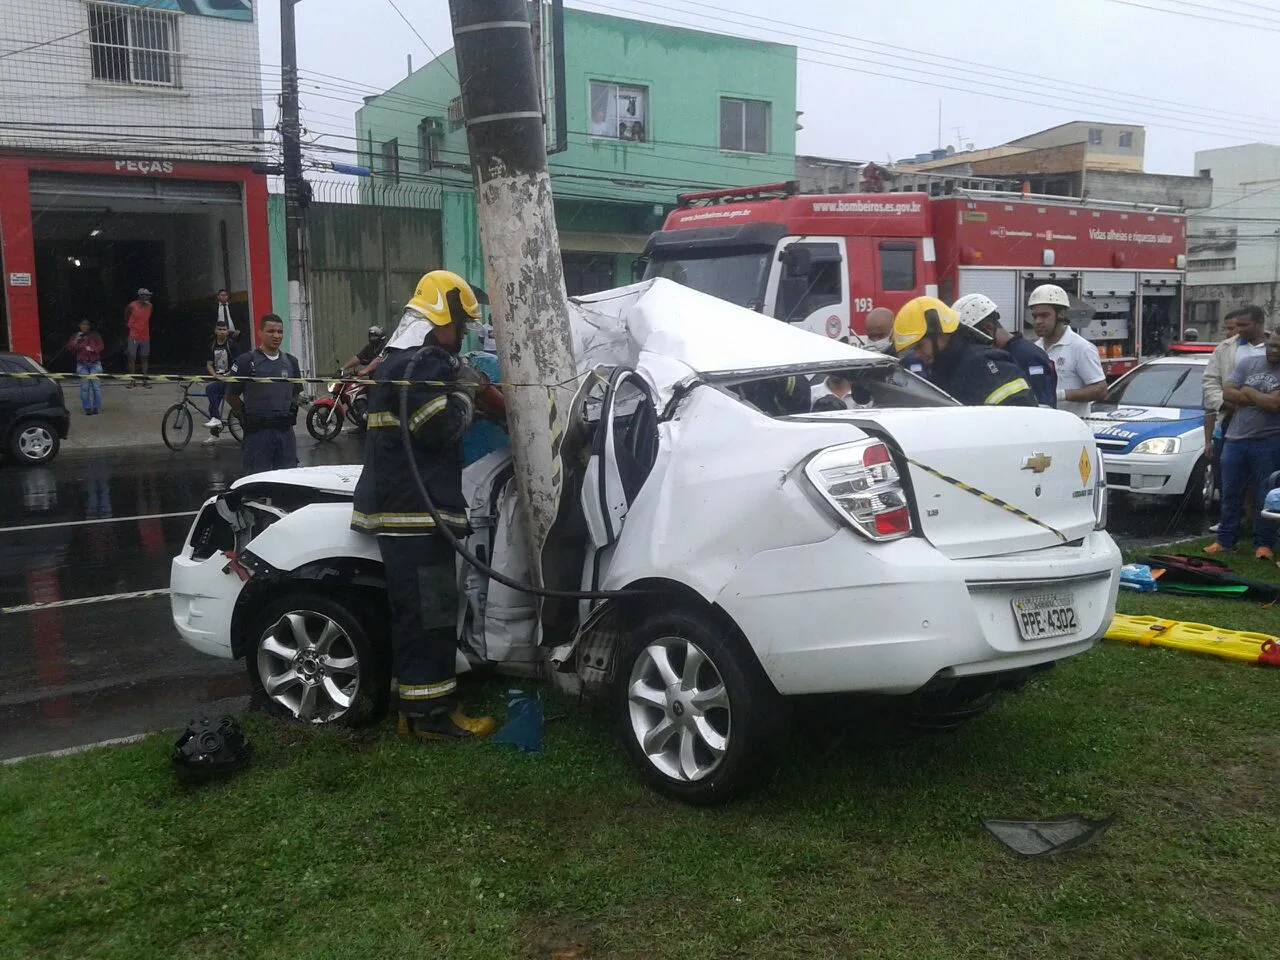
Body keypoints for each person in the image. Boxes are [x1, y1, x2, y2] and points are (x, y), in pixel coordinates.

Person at [352, 270, 500, 742]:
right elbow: (439, 427)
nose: (462, 336)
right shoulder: (428, 363)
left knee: (416, 613)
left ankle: (412, 709)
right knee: (430, 613)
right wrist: (465, 388)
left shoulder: (398, 361)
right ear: (445, 316)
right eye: (461, 324)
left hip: (404, 508)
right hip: (417, 512)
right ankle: (431, 717)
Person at [1205, 329, 1280, 561]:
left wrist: (1246, 391)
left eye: (1279, 347)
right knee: (1230, 492)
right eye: (1272, 345)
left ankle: (1263, 544)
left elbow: (1275, 405)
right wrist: (1259, 396)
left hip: (1268, 439)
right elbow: (1227, 393)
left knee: (1264, 495)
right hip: (1235, 438)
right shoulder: (1249, 363)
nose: (1273, 351)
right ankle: (1225, 540)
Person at [892, 296, 1036, 407]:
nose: (916, 355)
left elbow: (1020, 418)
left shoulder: (984, 365)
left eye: (919, 346)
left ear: (941, 334)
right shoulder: (945, 368)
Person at [226, 314, 303, 474]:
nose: (276, 336)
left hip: (285, 434)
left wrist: (289, 411)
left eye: (280, 331)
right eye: (271, 331)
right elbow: (231, 395)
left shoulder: (291, 362)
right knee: (258, 483)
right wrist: (245, 415)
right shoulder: (246, 362)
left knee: (287, 481)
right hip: (258, 434)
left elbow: (296, 393)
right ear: (260, 333)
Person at [954, 293, 1058, 407]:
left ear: (988, 328)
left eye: (973, 340)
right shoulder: (993, 357)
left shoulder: (1030, 357)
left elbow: (1043, 407)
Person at [1203, 306, 1267, 472]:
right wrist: (1224, 403)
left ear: (1259, 323)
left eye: (1244, 325)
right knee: (1229, 477)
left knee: (1264, 477)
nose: (1238, 330)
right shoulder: (1226, 348)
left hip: (1269, 423)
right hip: (1231, 420)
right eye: (1236, 325)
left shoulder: (1273, 346)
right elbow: (1210, 381)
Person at [1029, 284, 1107, 416]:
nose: (1038, 321)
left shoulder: (1080, 347)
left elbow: (1100, 390)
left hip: (1073, 431)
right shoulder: (1035, 349)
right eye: (1035, 316)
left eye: (1044, 316)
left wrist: (1061, 395)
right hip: (1043, 429)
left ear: (1061, 314)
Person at [202, 318, 235, 445]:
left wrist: (228, 374)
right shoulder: (211, 345)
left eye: (224, 330)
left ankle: (216, 419)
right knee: (213, 402)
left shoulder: (231, 345)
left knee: (210, 390)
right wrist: (215, 375)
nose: (222, 332)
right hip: (219, 378)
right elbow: (209, 364)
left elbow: (238, 363)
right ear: (215, 331)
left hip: (230, 378)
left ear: (227, 332)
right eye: (220, 329)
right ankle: (214, 434)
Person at [66, 318, 105, 415]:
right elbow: (70, 348)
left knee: (96, 387)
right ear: (79, 325)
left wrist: (93, 349)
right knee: (84, 387)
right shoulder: (75, 336)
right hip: (82, 365)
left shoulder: (95, 335)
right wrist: (76, 340)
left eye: (87, 324)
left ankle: (96, 407)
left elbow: (101, 346)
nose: (86, 326)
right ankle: (87, 407)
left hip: (95, 363)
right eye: (83, 324)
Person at [124, 288, 153, 387]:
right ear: (140, 296)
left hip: (145, 335)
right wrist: (130, 325)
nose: (148, 297)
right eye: (146, 295)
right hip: (134, 335)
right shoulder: (132, 305)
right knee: (132, 358)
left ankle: (145, 380)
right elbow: (126, 315)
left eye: (148, 295)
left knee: (144, 358)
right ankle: (133, 380)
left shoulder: (150, 306)